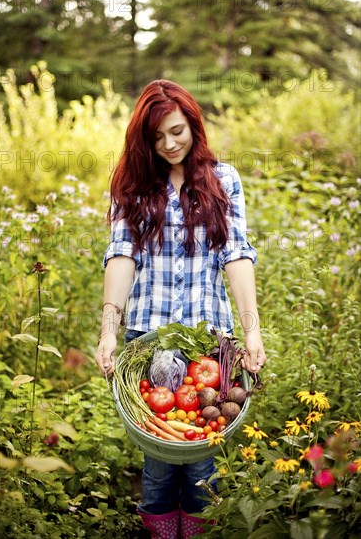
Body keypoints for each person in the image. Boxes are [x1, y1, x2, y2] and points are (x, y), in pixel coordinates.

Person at [95, 79, 266, 539]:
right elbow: (121, 256)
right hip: (148, 340)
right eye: (157, 137)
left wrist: (251, 332)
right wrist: (109, 330)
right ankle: (160, 530)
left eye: (177, 131)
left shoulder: (222, 179)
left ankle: (196, 530)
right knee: (157, 459)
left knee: (201, 458)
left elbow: (236, 254)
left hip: (208, 341)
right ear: (143, 139)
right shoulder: (133, 184)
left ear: (194, 123)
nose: (169, 144)